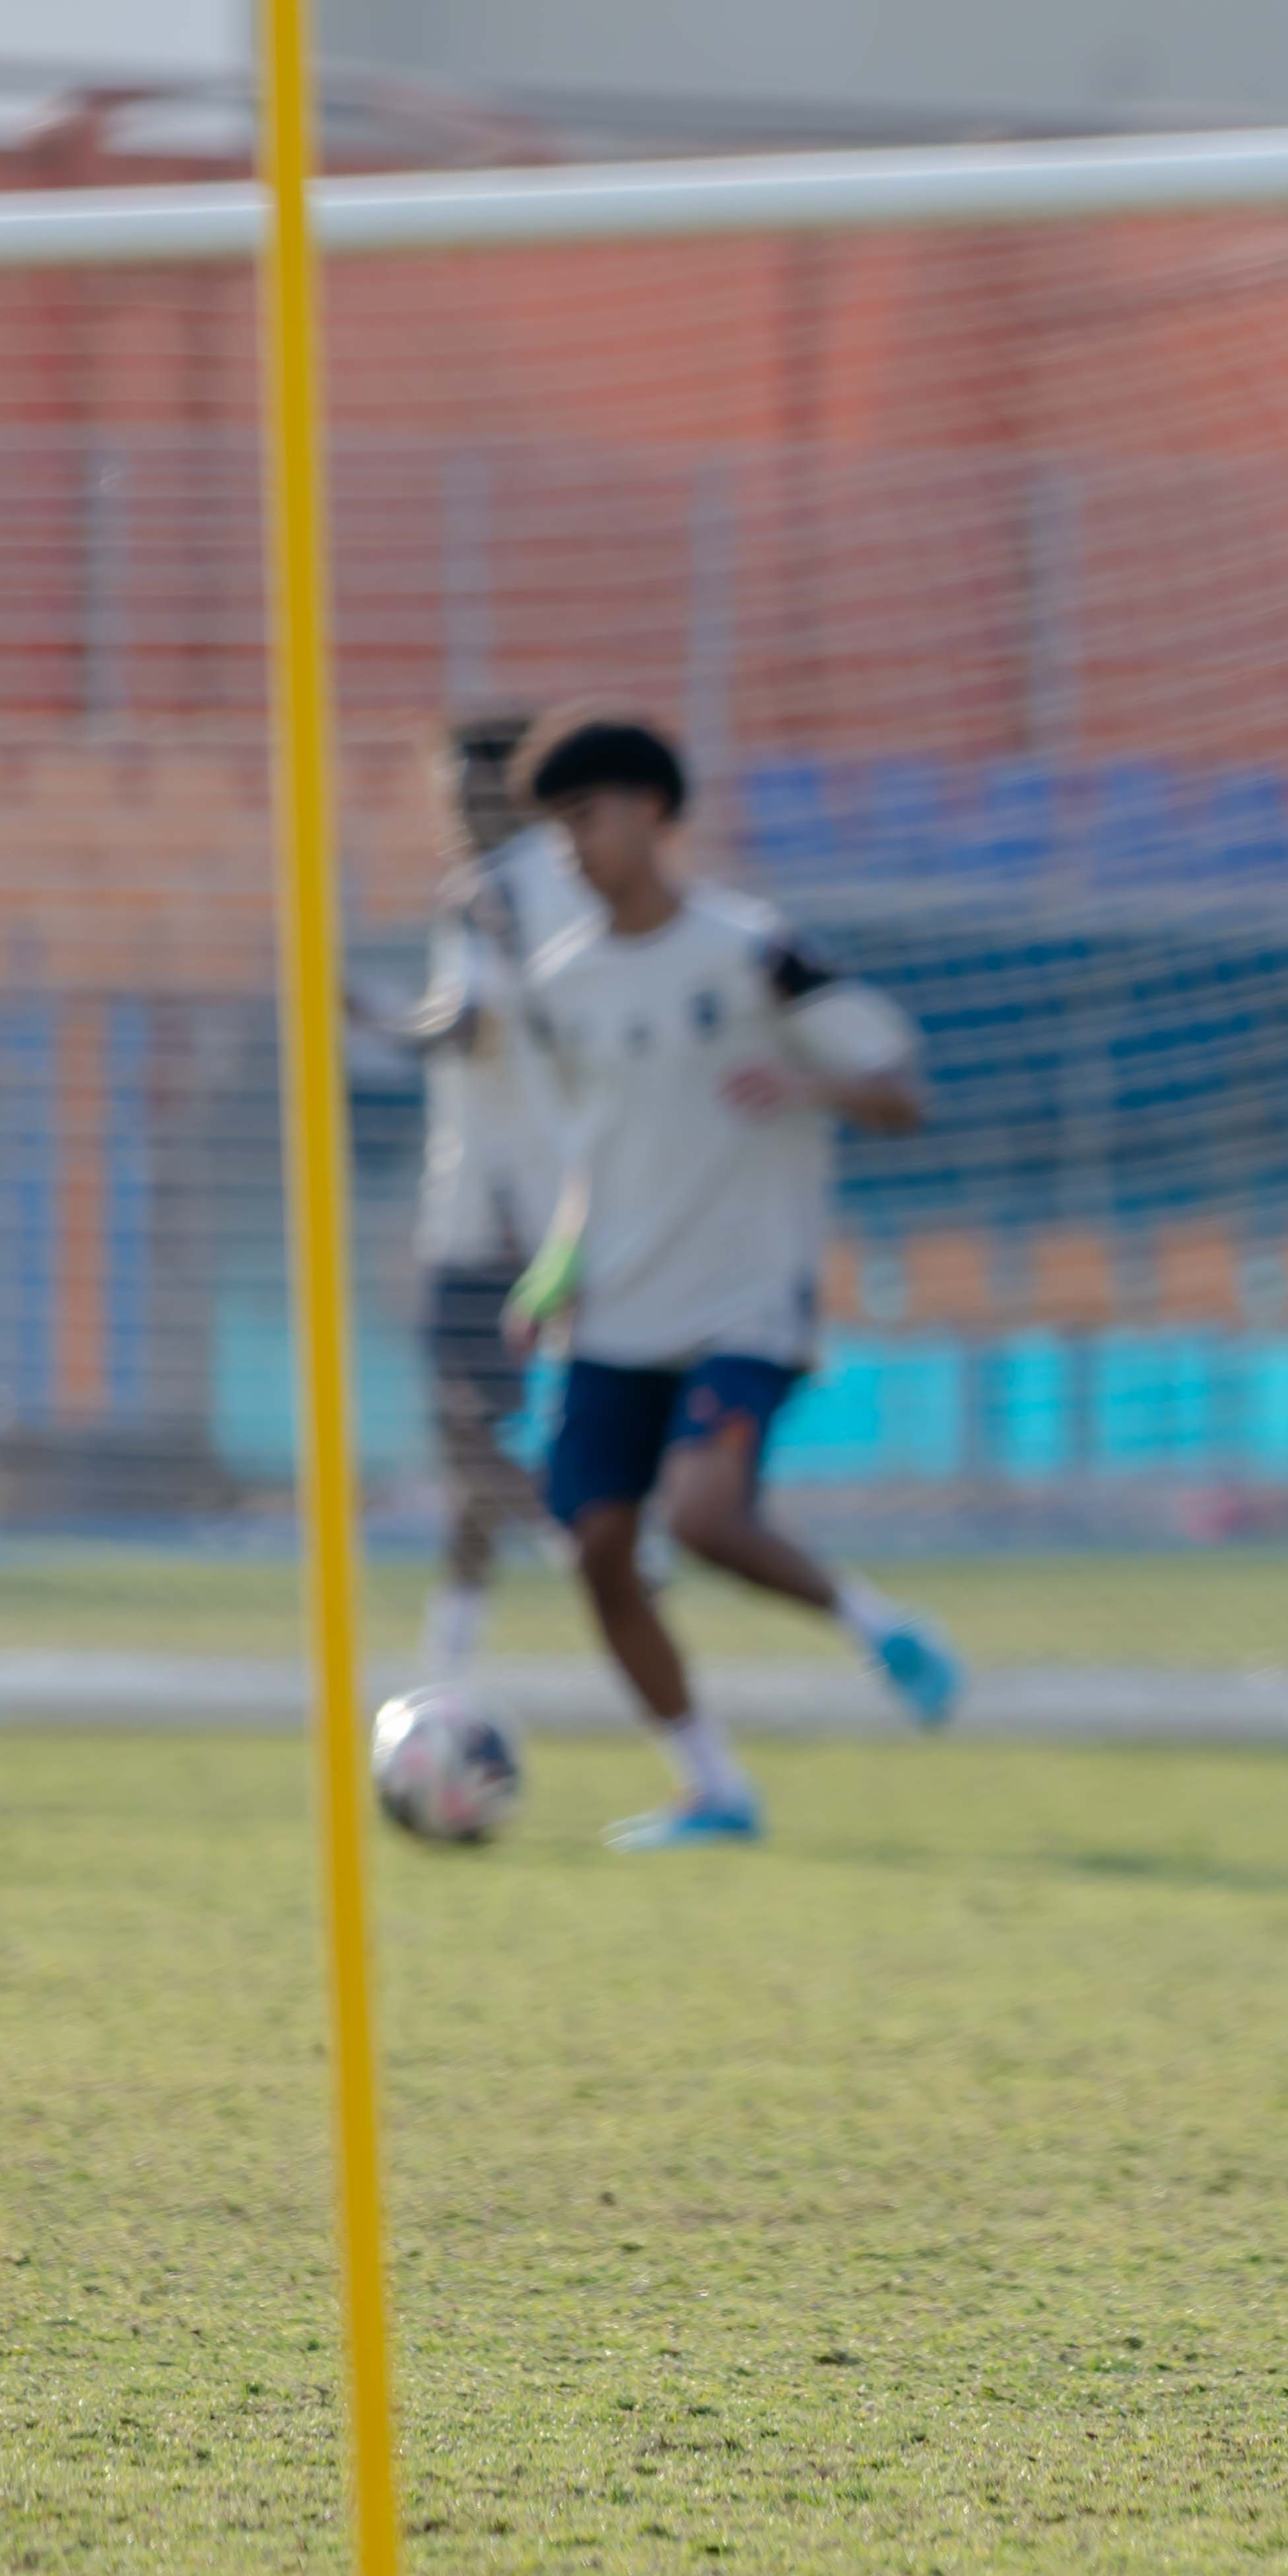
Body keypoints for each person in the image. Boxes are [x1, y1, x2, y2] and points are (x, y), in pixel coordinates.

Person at [505, 715, 966, 1849]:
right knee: (600, 1548)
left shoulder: (759, 951)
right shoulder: (560, 985)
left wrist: (812, 1084)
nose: (573, 845)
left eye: (590, 815)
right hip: (616, 1306)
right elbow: (591, 1161)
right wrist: (549, 1275)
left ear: (654, 813)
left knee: (705, 1516)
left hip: (742, 1299)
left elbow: (903, 1089)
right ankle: (709, 1784)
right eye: (558, 825)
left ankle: (872, 1621)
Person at [375, 710, 590, 1682]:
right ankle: (449, 1655)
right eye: (451, 793)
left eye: (477, 792)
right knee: (479, 1439)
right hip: (554, 1198)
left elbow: (468, 1026)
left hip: (494, 1216)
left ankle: (583, 1535)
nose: (460, 811)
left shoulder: (491, 893)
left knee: (462, 1430)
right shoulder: (577, 886)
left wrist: (373, 1020)